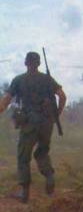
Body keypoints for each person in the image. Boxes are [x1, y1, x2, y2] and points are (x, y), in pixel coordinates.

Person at [0, 52, 67, 203]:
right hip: (46, 123)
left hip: (29, 123)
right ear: (38, 64)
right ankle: (49, 176)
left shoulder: (19, 80)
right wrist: (56, 115)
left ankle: (25, 193)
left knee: (23, 156)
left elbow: (5, 101)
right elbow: (62, 96)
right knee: (42, 152)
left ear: (26, 63)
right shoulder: (47, 79)